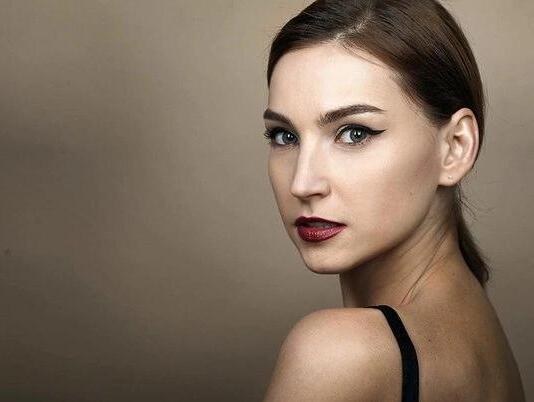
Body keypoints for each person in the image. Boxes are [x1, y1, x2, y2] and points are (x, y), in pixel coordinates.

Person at [260, 0, 526, 401]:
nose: (303, 183)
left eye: (354, 133)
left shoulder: (340, 353)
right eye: (285, 136)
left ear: (455, 146)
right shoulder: (475, 327)